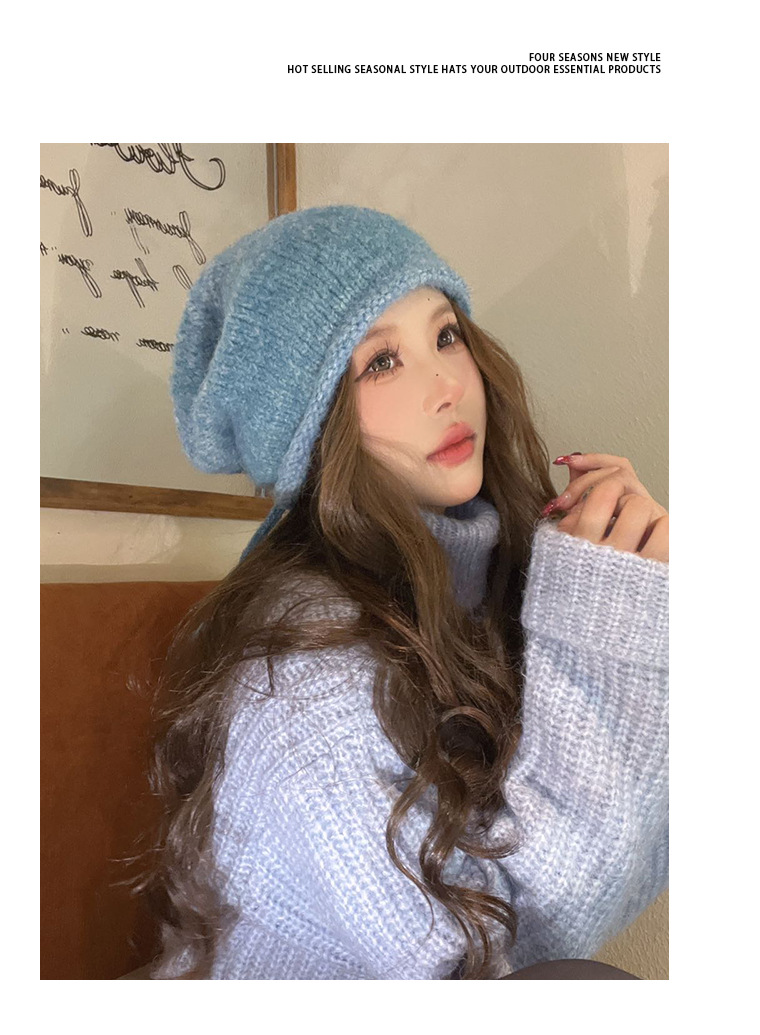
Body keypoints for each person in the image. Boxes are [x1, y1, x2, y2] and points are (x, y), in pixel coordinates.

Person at [139, 205, 668, 980]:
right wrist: (602, 626)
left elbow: (636, 859)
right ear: (313, 430)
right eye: (382, 361)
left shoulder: (491, 577)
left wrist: (642, 608)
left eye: (446, 335)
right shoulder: (296, 688)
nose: (448, 385)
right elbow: (507, 955)